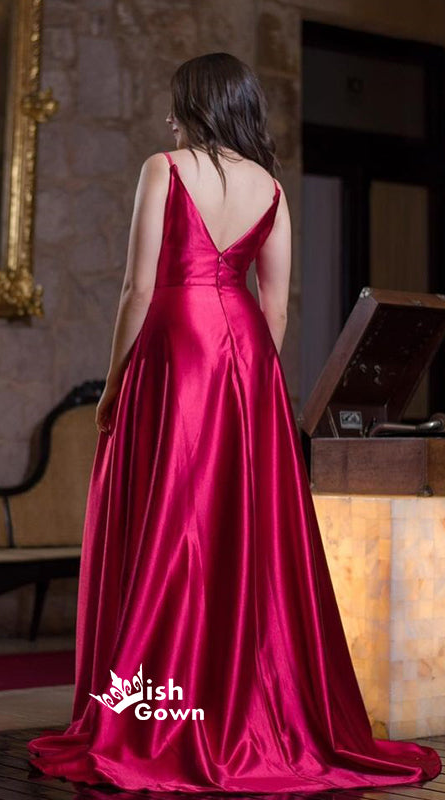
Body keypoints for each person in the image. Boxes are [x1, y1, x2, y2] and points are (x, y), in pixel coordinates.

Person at [27, 52, 441, 794]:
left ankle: (153, 714)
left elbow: (137, 289)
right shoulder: (271, 189)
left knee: (167, 523)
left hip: (175, 349)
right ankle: (239, 705)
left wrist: (114, 383)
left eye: (176, 102)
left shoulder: (164, 169)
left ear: (196, 104)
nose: (168, 117)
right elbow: (275, 307)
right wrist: (245, 384)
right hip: (244, 357)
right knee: (236, 533)